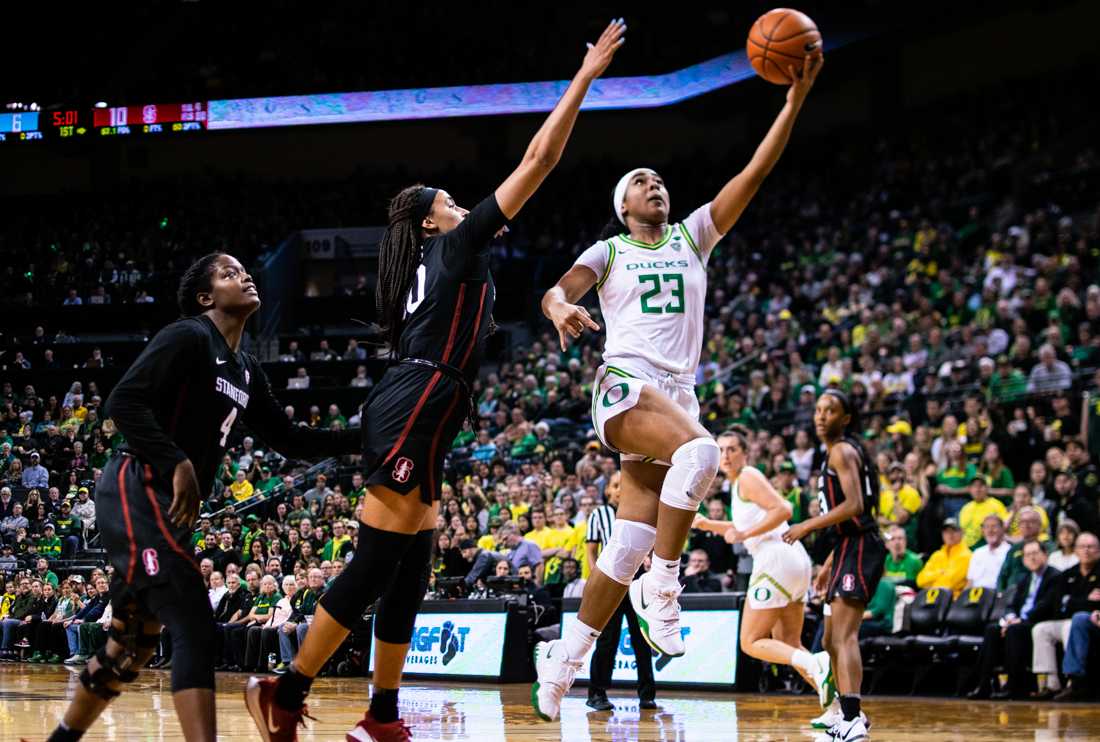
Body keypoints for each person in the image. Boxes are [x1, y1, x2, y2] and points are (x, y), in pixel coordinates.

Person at [248, 23, 627, 741]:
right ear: (431, 221)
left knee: (409, 573)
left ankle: (381, 716)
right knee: (373, 565)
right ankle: (286, 688)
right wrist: (586, 75)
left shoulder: (437, 268)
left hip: (425, 402)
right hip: (419, 400)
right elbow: (541, 158)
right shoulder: (452, 245)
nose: (463, 206)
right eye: (452, 201)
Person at [533, 46, 824, 724]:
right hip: (626, 385)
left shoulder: (693, 235)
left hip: (678, 394)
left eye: (659, 179)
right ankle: (663, 589)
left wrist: (793, 101)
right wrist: (556, 307)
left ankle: (563, 667)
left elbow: (755, 170)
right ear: (623, 204)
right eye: (642, 182)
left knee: (627, 544)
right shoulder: (610, 250)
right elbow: (559, 289)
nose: (655, 185)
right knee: (701, 456)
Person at [47, 253, 359, 742]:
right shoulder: (188, 335)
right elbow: (122, 402)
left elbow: (292, 439)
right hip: (135, 486)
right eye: (229, 274)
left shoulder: (247, 369)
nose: (246, 277)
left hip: (167, 512)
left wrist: (369, 437)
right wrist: (179, 462)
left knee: (130, 645)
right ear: (205, 297)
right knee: (193, 616)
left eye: (244, 271)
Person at [692, 429, 831, 718]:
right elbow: (751, 522)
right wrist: (709, 525)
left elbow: (784, 509)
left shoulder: (747, 477)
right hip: (794, 561)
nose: (727, 455)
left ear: (745, 452)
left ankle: (817, 664)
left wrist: (743, 534)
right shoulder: (740, 485)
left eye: (732, 449)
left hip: (774, 560)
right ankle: (839, 710)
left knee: (751, 642)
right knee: (791, 645)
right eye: (722, 450)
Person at [782, 390, 884, 740]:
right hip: (845, 548)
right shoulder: (834, 453)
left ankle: (853, 717)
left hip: (860, 546)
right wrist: (828, 562)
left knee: (844, 636)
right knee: (827, 638)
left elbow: (855, 505)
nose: (821, 416)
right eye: (819, 410)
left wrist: (806, 525)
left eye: (831, 410)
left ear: (846, 418)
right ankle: (844, 709)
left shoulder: (841, 450)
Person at [580, 470, 656, 712]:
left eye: (625, 484)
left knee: (643, 640)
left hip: (637, 583)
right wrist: (597, 581)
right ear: (608, 490)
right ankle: (596, 693)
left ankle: (647, 695)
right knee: (606, 641)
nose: (621, 489)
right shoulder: (598, 514)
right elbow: (591, 550)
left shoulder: (643, 511)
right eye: (615, 485)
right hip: (611, 582)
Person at [968, 540, 1060, 700]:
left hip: (1040, 622)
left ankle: (1013, 685)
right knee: (992, 630)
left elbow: (1047, 605)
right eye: (1027, 555)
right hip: (1018, 622)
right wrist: (1009, 619)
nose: (1031, 558)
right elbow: (1011, 605)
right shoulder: (1024, 579)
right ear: (1023, 559)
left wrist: (1021, 620)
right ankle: (983, 685)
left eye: (1035, 553)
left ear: (1045, 555)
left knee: (1014, 631)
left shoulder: (1055, 576)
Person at [1028, 532, 1100, 699]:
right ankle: (1050, 684)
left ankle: (1073, 681)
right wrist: (1085, 600)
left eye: (1091, 547)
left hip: (1089, 622)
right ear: (1075, 550)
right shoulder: (1067, 575)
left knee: (1075, 622)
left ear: (1098, 550)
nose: (1087, 550)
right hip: (1066, 619)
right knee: (1041, 629)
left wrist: (1074, 602)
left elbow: (1072, 605)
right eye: (1082, 546)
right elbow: (1059, 606)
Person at [916, 519, 972, 596]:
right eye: (946, 531)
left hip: (954, 601)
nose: (950, 535)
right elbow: (920, 580)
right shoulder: (937, 555)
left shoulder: (966, 556)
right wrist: (939, 573)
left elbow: (949, 583)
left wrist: (932, 583)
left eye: (954, 530)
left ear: (962, 532)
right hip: (933, 600)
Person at [966, 515, 1011, 590]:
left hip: (997, 596)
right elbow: (970, 582)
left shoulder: (1009, 552)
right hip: (975, 596)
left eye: (994, 526)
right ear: (983, 531)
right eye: (986, 527)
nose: (990, 530)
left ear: (1002, 529)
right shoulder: (978, 552)